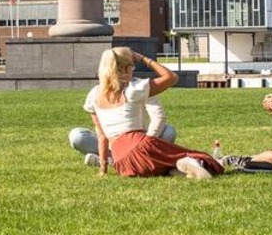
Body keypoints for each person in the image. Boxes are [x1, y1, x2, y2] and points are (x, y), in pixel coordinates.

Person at [83, 47, 223, 179]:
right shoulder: (133, 90)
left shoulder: (94, 95)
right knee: (204, 158)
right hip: (141, 145)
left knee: (158, 166)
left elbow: (102, 136)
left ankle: (177, 168)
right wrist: (144, 59)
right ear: (126, 69)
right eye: (132, 67)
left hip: (123, 163)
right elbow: (171, 77)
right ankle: (189, 162)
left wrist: (103, 169)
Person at [69, 96, 177, 166]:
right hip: (111, 144)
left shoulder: (141, 87)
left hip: (140, 141)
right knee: (77, 136)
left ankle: (120, 162)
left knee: (169, 131)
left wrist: (146, 143)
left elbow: (159, 117)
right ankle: (119, 161)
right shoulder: (97, 92)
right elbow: (101, 132)